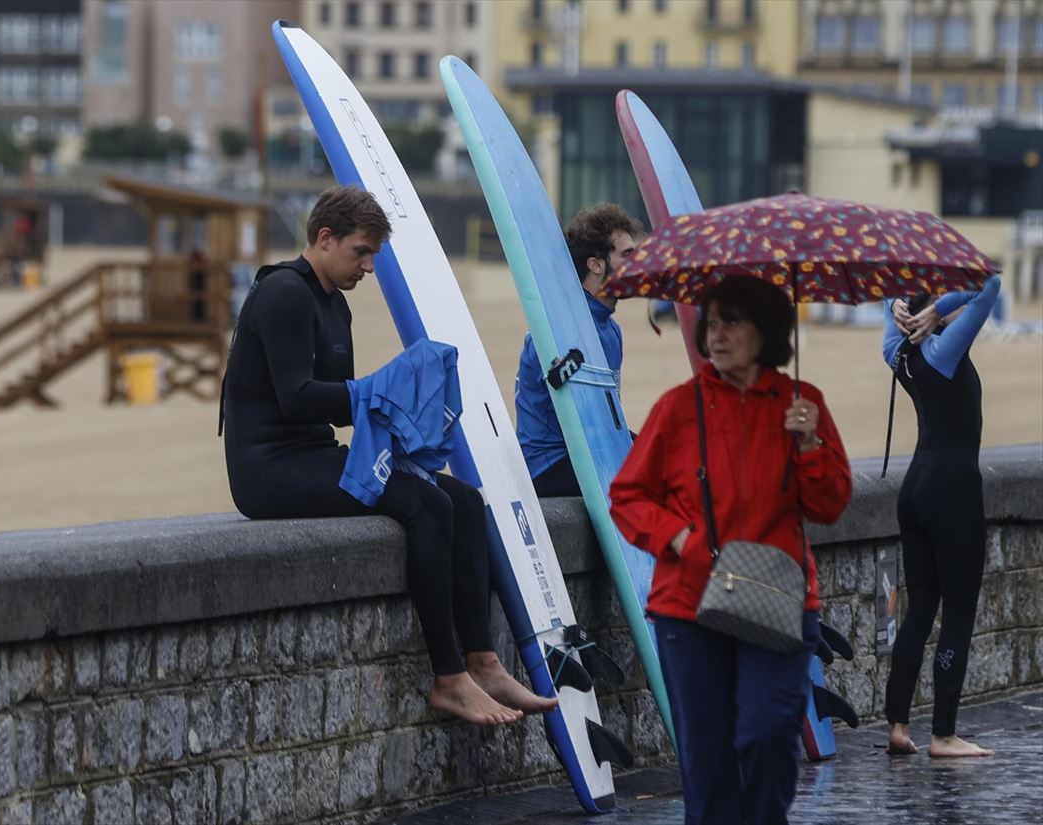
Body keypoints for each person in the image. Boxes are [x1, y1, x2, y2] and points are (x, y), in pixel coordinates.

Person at [219, 185, 556, 726]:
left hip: (315, 455)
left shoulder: (335, 306)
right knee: (427, 505)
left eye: (375, 254)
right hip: (270, 471)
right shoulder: (283, 292)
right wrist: (380, 391)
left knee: (464, 500)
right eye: (361, 252)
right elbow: (296, 397)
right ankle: (447, 679)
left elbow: (341, 407)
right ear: (325, 238)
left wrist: (405, 403)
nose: (370, 266)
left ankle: (483, 661)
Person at [608, 275, 852, 825]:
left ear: (765, 331)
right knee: (708, 760)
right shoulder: (677, 409)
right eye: (710, 323)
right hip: (688, 607)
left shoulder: (801, 405)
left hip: (779, 601)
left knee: (768, 734)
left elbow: (831, 504)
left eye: (731, 322)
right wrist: (681, 539)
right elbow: (627, 496)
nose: (715, 335)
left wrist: (810, 444)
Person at [882, 274, 1002, 758]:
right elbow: (989, 286)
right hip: (953, 494)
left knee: (920, 610)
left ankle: (897, 726)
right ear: (932, 312)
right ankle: (944, 734)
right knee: (959, 610)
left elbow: (891, 308)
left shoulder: (899, 354)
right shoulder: (945, 350)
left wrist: (896, 303)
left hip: (914, 490)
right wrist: (943, 307)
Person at [515, 203, 641, 496]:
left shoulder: (610, 330)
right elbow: (563, 391)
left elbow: (609, 417)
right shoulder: (559, 325)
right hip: (550, 464)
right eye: (627, 255)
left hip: (591, 450)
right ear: (596, 264)